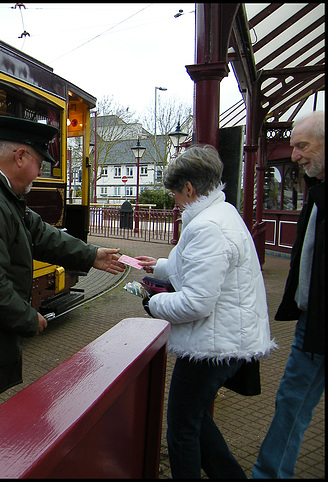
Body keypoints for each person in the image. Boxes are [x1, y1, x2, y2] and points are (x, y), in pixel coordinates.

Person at [0, 115, 126, 459]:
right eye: (40, 163)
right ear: (20, 157)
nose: (40, 173)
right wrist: (28, 318)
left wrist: (91, 255)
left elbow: (39, 233)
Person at [135, 145, 277, 479]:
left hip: (212, 344)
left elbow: (197, 302)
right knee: (195, 420)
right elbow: (203, 270)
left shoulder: (206, 227)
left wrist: (151, 302)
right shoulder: (222, 214)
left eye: (175, 193)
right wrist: (161, 265)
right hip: (227, 337)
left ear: (189, 188)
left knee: (182, 428)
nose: (174, 202)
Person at [252, 111, 324, 479]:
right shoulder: (317, 191)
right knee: (291, 404)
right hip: (311, 324)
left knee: (293, 404)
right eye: (293, 146)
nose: (294, 155)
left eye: (302, 146)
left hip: (317, 326)